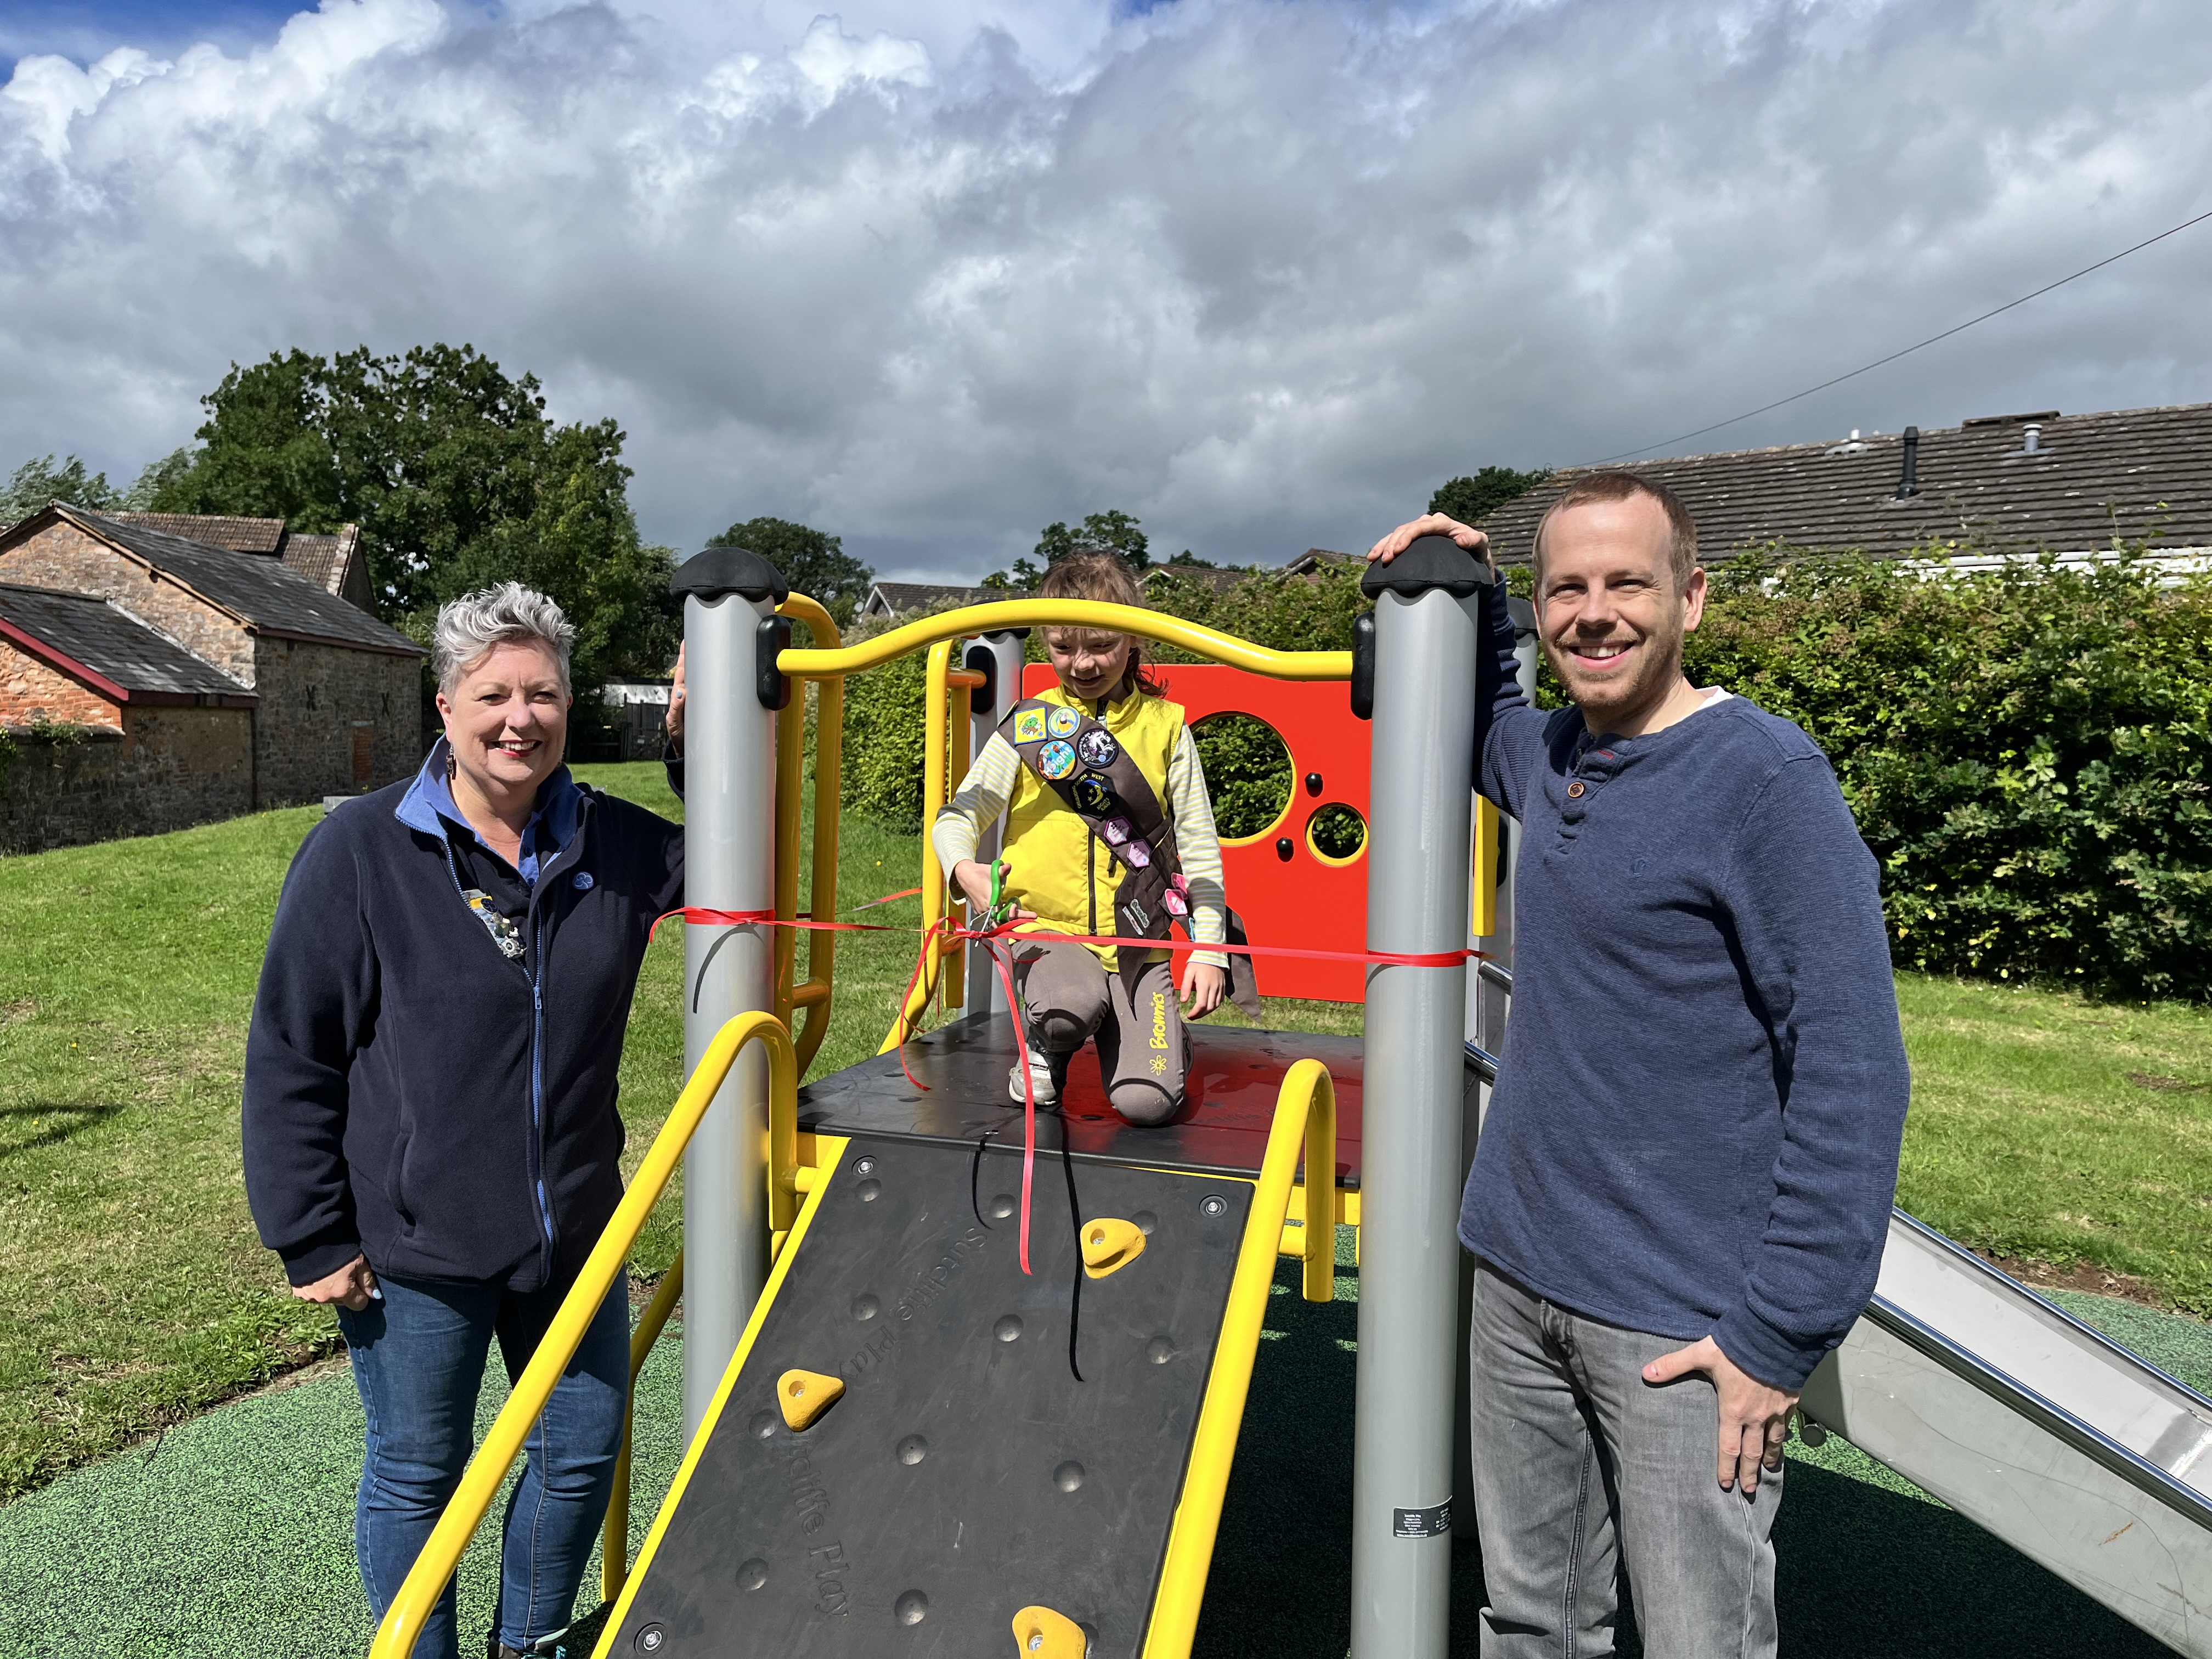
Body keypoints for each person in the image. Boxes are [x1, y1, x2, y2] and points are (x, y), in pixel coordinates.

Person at [1368, 473, 1910, 1658]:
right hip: (1518, 1277)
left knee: (1698, 1642)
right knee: (1531, 1622)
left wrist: (1780, 1335)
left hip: (1680, 1320)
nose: (1593, 614)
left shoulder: (1765, 787)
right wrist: (1465, 588)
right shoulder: (1555, 752)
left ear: (1692, 599)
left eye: (1628, 583)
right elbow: (1461, 729)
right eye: (1568, 588)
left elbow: (1855, 1074)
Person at [242, 583, 688, 1659]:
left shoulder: (619, 847)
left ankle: (525, 1646)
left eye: (543, 694)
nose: (519, 718)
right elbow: (293, 1046)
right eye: (493, 694)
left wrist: (698, 730)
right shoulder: (361, 848)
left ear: (571, 706)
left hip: (575, 1225)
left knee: (581, 1445)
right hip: (419, 1236)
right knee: (419, 1471)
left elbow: (738, 861)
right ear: (444, 706)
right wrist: (312, 1233)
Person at [932, 551, 1246, 1122]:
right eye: (1061, 646)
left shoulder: (1167, 728)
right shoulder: (1027, 725)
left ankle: (1162, 1047)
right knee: (1066, 1007)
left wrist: (1208, 948)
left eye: (1100, 644)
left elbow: (1199, 846)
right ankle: (1045, 1046)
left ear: (1134, 640)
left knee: (1148, 1105)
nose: (1080, 663)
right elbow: (957, 817)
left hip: (1137, 941)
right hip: (1048, 934)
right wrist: (962, 869)